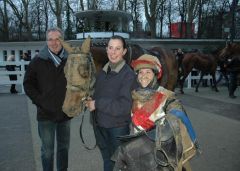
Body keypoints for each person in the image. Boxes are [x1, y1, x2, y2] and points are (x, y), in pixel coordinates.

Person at [112, 54, 198, 171]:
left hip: (160, 155)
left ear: (156, 75)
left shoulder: (166, 96)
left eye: (148, 72)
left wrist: (173, 113)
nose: (143, 76)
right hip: (137, 153)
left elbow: (176, 108)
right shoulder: (134, 95)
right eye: (141, 72)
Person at [85, 35, 137, 171]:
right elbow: (100, 94)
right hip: (100, 125)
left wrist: (97, 104)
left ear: (124, 52)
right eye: (110, 48)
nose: (113, 52)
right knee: (107, 160)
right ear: (106, 49)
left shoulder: (128, 75)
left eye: (117, 48)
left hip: (117, 128)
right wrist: (91, 99)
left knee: (119, 165)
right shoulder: (103, 71)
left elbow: (124, 106)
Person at [23, 27, 71, 171]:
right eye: (50, 39)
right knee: (47, 151)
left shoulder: (70, 60)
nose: (54, 42)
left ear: (62, 40)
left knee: (63, 149)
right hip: (45, 114)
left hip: (65, 113)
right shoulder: (37, 61)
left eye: (57, 39)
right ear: (46, 41)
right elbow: (28, 84)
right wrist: (41, 101)